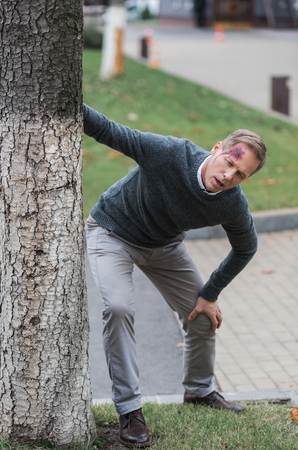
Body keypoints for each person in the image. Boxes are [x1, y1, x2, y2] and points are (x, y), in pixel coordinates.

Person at [84, 103, 267, 448]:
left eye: (241, 174)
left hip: (164, 245)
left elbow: (246, 248)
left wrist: (210, 292)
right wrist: (67, 100)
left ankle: (199, 391)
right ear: (216, 149)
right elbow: (109, 130)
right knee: (120, 308)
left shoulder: (231, 203)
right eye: (229, 162)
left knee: (201, 314)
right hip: (112, 232)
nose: (229, 176)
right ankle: (130, 411)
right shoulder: (169, 154)